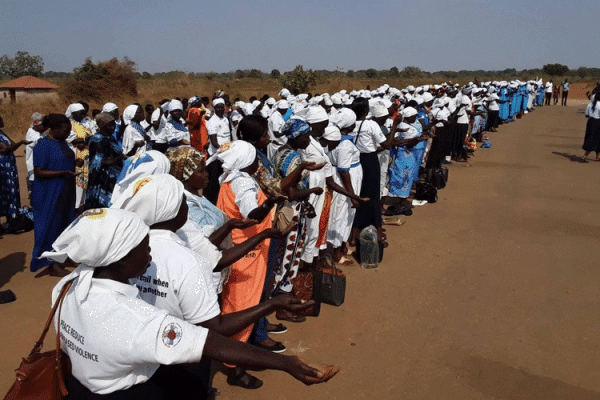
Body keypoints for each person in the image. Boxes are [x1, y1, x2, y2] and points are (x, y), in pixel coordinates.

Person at [42, 208, 338, 399]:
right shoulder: (131, 318)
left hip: (82, 388)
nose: (149, 255)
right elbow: (209, 342)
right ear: (118, 257)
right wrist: (286, 363)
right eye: (143, 249)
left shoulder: (68, 285)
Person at [212, 140, 287, 387]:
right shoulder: (243, 181)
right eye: (256, 158)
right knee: (241, 307)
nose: (259, 162)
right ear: (247, 162)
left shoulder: (228, 178)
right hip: (248, 254)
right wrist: (270, 202)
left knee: (235, 303)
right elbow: (252, 214)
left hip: (238, 249)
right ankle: (235, 368)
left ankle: (238, 354)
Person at [30, 114, 77, 276]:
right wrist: (63, 171)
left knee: (65, 225)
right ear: (54, 129)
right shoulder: (43, 146)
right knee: (50, 227)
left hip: (65, 191)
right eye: (65, 131)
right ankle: (51, 264)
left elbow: (64, 159)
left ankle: (62, 257)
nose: (68, 134)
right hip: (48, 193)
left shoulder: (62, 143)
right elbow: (39, 171)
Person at [85, 113, 124, 209]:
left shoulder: (110, 138)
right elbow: (97, 163)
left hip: (114, 177)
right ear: (102, 125)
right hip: (103, 178)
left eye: (114, 125)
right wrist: (118, 159)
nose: (113, 127)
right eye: (110, 125)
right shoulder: (98, 140)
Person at [0, 114, 30, 233]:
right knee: (4, 192)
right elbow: (5, 149)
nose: (2, 120)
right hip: (3, 167)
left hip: (9, 166)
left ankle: (11, 220)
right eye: (0, 119)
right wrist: (21, 142)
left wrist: (15, 145)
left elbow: (11, 144)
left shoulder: (2, 133)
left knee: (11, 191)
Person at [24, 112, 46, 194]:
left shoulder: (41, 133)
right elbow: (39, 142)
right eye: (43, 126)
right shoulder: (32, 133)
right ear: (36, 125)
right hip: (34, 169)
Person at [582, 95, 600, 162]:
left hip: (590, 122)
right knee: (594, 139)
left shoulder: (589, 105)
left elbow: (586, 115)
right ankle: (585, 155)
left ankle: (597, 156)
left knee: (594, 138)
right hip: (597, 122)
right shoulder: (599, 104)